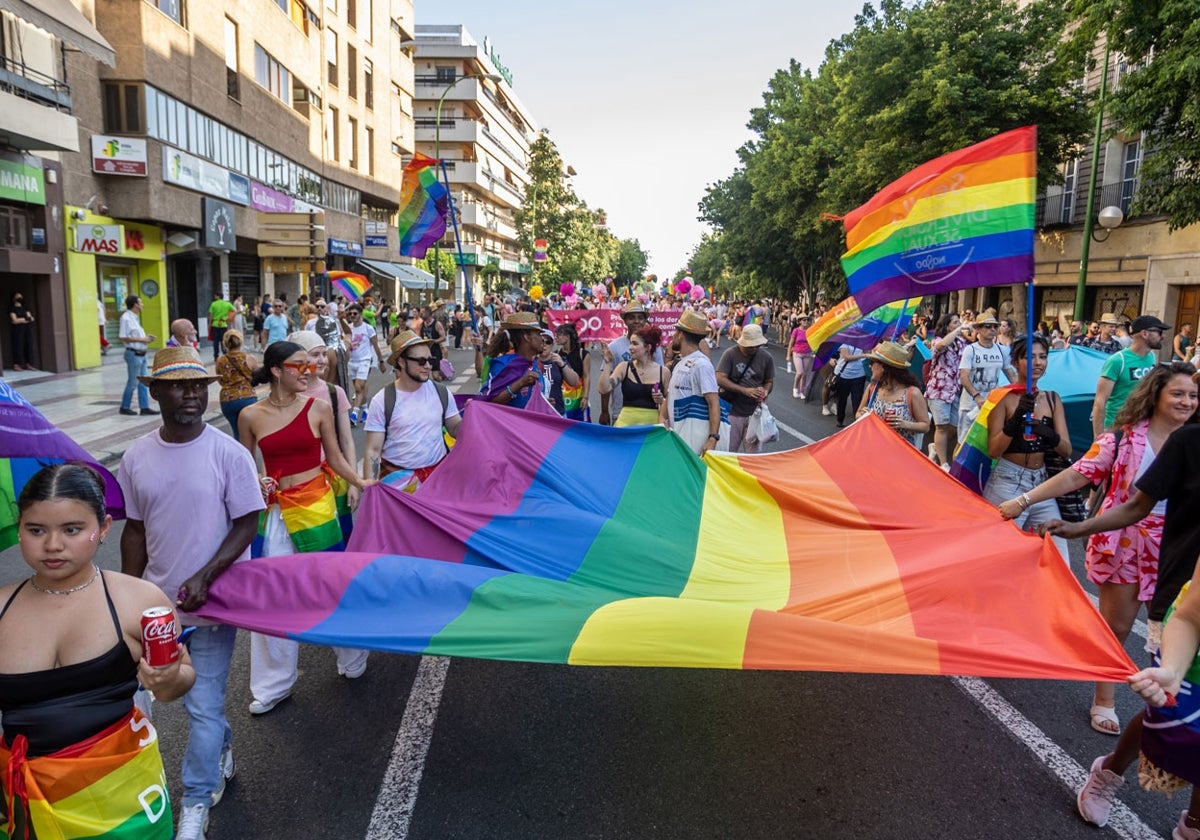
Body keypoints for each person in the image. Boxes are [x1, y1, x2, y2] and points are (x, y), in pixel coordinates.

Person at [1000, 362, 1198, 736]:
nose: (1186, 401)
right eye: (1177, 393)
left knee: (1177, 628)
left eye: (1192, 395)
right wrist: (1024, 500)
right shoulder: (1122, 439)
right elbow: (1078, 473)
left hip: (1179, 548)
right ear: (1155, 395)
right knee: (1118, 627)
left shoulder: (1195, 440)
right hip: (1124, 539)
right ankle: (1105, 698)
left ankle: (1173, 699)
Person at [1, 463, 195, 839]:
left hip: (122, 801)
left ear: (103, 528)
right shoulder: (2, 607)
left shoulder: (137, 599)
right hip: (26, 800)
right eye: (36, 530)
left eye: (72, 530)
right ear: (19, 526)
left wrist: (168, 676)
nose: (53, 545)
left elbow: (177, 683)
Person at [118, 346, 264, 839]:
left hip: (214, 603)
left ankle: (195, 804)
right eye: (180, 385)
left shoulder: (229, 453)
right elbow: (135, 531)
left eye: (200, 385)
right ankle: (221, 747)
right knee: (145, 699)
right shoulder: (137, 456)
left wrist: (206, 575)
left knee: (202, 705)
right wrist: (124, 597)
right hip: (158, 610)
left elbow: (247, 521)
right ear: (154, 391)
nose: (192, 394)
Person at [237, 341, 370, 715]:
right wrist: (259, 481)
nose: (309, 371)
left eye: (310, 365)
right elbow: (246, 467)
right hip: (276, 512)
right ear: (277, 370)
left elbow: (339, 458)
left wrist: (360, 483)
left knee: (330, 585)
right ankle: (273, 684)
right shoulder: (250, 415)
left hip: (318, 508)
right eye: (299, 366)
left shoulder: (320, 408)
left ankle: (352, 655)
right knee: (272, 595)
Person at [980, 334, 1071, 532]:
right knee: (1001, 552)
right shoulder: (1001, 398)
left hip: (1041, 486)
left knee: (1055, 549)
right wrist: (1016, 418)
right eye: (1030, 357)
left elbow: (1066, 450)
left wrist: (1046, 432)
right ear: (1015, 361)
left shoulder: (1053, 399)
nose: (1038, 362)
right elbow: (994, 450)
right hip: (1006, 483)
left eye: (1043, 356)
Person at [363, 330, 462, 486]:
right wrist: (370, 488)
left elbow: (455, 429)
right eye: (421, 361)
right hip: (397, 485)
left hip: (436, 480)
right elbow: (373, 450)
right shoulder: (382, 400)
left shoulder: (441, 392)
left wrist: (472, 416)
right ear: (401, 362)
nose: (428, 366)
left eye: (430, 360)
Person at [1092, 314, 1169, 440]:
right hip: (1115, 428)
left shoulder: (1152, 358)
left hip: (1141, 428)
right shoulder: (1118, 360)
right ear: (1145, 333)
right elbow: (1100, 402)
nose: (1163, 336)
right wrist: (1098, 436)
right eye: (1159, 332)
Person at [665, 310, 726, 455]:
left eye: (675, 332)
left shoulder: (701, 365)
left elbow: (713, 402)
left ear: (680, 334)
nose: (673, 336)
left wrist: (713, 438)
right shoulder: (681, 361)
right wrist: (662, 418)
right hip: (678, 436)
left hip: (693, 440)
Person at [599, 302, 664, 426]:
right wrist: (604, 411)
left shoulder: (656, 348)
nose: (636, 321)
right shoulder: (614, 347)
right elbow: (605, 387)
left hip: (651, 416)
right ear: (625, 321)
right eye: (631, 317)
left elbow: (664, 387)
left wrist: (662, 410)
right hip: (621, 414)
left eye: (640, 318)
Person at [856, 341, 929, 448]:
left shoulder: (912, 393)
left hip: (900, 451)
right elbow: (858, 413)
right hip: (873, 446)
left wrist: (904, 424)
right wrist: (863, 415)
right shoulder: (872, 388)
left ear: (884, 368)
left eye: (872, 362)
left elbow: (925, 425)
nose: (870, 366)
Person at [715, 324, 775, 453]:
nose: (753, 349)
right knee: (729, 452)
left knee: (752, 455)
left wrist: (765, 391)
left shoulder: (766, 357)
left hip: (755, 414)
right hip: (732, 412)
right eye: (750, 346)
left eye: (756, 346)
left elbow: (769, 381)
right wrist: (744, 390)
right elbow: (720, 378)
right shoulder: (730, 354)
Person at [957, 309, 1015, 442]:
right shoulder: (970, 350)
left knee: (986, 442)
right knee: (964, 442)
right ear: (978, 329)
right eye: (988, 326)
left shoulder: (1002, 350)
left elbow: (1011, 374)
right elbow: (964, 377)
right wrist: (976, 396)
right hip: (970, 404)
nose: (993, 329)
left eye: (995, 326)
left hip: (991, 403)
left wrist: (1024, 390)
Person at [925, 313, 970, 466]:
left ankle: (935, 447)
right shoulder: (938, 340)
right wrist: (959, 330)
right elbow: (941, 346)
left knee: (955, 426)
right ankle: (944, 463)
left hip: (955, 390)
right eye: (955, 322)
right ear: (947, 325)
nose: (959, 324)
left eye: (960, 322)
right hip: (939, 389)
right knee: (941, 426)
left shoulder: (962, 342)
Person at [479, 312, 545, 408]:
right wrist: (521, 383)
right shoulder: (503, 364)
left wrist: (543, 404)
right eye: (538, 334)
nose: (542, 339)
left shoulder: (535, 364)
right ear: (527, 337)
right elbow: (491, 402)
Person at [342, 303, 386, 425]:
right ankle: (366, 410)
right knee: (358, 389)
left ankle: (354, 415)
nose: (352, 316)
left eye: (355, 313)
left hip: (364, 360)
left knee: (358, 387)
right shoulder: (347, 328)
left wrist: (381, 361)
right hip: (352, 362)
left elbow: (376, 346)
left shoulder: (368, 328)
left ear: (361, 314)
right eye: (350, 314)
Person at [216, 329, 260, 444]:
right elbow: (257, 376)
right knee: (250, 435)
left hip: (227, 399)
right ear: (241, 342)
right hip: (247, 397)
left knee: (237, 433)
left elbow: (220, 380)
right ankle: (249, 460)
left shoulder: (220, 361)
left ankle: (238, 458)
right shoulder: (250, 359)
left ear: (225, 343)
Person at [119, 294, 158, 417]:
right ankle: (124, 407)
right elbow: (123, 337)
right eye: (140, 302)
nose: (142, 305)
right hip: (133, 353)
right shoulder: (125, 318)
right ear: (135, 304)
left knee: (143, 382)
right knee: (133, 382)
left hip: (142, 353)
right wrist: (143, 339)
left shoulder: (135, 318)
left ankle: (144, 407)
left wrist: (146, 339)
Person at [535, 328, 581, 414]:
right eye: (541, 341)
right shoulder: (531, 361)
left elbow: (575, 382)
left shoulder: (559, 360)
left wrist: (562, 364)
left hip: (557, 411)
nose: (544, 345)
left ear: (552, 345)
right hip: (537, 412)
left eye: (548, 342)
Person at [555, 322, 590, 420]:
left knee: (580, 426)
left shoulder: (583, 353)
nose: (555, 338)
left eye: (558, 335)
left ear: (567, 337)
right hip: (562, 397)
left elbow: (586, 376)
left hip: (578, 397)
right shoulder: (556, 354)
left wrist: (585, 397)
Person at [832, 344, 869, 429]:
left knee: (857, 400)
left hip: (859, 375)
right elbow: (847, 357)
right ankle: (840, 420)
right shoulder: (844, 343)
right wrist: (864, 355)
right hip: (844, 375)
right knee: (842, 399)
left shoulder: (864, 342)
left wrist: (866, 351)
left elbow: (867, 353)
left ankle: (857, 423)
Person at [8, 291, 35, 371]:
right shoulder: (12, 308)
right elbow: (14, 320)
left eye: (21, 296)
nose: (20, 298)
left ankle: (29, 364)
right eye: (17, 296)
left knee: (28, 345)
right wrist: (25, 319)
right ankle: (17, 364)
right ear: (14, 299)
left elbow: (31, 318)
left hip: (26, 329)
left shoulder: (25, 308)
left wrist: (22, 320)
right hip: (17, 331)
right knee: (18, 346)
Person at [788, 315, 814, 399]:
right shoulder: (796, 330)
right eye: (804, 320)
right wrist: (788, 355)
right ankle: (795, 388)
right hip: (797, 353)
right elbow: (791, 343)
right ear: (800, 321)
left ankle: (802, 391)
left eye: (808, 320)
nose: (806, 321)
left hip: (807, 353)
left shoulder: (810, 331)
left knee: (804, 374)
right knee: (800, 372)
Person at [208, 293, 234, 361]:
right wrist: (228, 317)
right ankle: (225, 353)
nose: (214, 297)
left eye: (215, 296)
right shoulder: (227, 304)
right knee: (224, 340)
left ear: (218, 296)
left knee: (215, 341)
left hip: (215, 324)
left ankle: (216, 356)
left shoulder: (213, 304)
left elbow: (211, 315)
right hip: (223, 324)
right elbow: (235, 310)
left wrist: (209, 324)